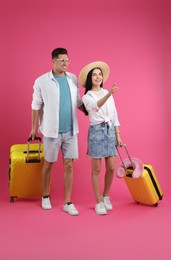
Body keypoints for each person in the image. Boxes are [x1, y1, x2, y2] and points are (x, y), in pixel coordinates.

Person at [30, 47, 83, 216]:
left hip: (71, 131)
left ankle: (68, 202)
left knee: (69, 165)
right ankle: (45, 195)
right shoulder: (41, 81)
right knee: (49, 164)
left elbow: (78, 101)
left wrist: (91, 109)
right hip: (51, 131)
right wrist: (33, 128)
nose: (65, 63)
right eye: (62, 60)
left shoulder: (73, 79)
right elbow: (36, 106)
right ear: (53, 61)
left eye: (67, 60)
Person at [79, 61, 122, 215]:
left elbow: (114, 114)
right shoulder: (87, 97)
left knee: (111, 167)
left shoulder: (107, 92)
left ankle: (105, 196)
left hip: (110, 130)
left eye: (99, 74)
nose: (98, 77)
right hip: (96, 132)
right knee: (96, 169)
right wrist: (109, 93)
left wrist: (118, 134)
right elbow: (95, 106)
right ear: (90, 78)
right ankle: (98, 202)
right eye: (94, 75)